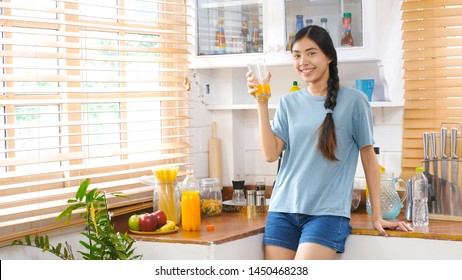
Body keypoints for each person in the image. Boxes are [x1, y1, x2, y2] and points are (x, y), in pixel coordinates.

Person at [246, 25, 412, 260]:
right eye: (296, 55)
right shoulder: (288, 103)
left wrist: (377, 214)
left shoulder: (356, 101)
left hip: (327, 214)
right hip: (282, 210)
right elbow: (270, 154)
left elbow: (368, 158)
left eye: (311, 53)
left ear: (329, 57)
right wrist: (261, 102)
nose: (303, 61)